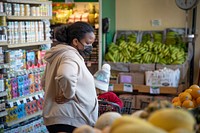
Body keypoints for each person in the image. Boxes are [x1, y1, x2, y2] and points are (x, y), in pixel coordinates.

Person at [41, 22, 98, 133]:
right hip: (69, 119)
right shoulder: (70, 56)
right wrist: (68, 95)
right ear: (75, 41)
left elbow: (44, 82)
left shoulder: (59, 54)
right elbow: (65, 75)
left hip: (60, 117)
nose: (90, 47)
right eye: (88, 43)